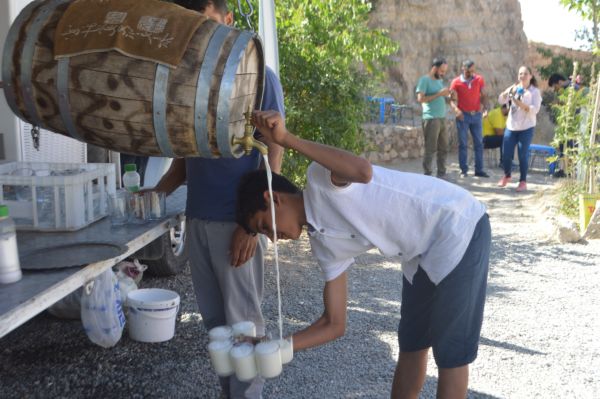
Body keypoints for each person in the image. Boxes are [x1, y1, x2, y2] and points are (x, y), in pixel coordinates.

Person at [237, 110, 491, 399]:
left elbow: (363, 171)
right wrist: (273, 346)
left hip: (457, 224)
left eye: (263, 226)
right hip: (419, 252)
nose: (272, 237)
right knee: (412, 342)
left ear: (273, 198)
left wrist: (286, 139)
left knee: (451, 353)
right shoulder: (322, 245)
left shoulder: (321, 179)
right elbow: (334, 323)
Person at [153, 1, 285, 398]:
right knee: (216, 328)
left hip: (236, 223)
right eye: (194, 27)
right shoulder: (186, 79)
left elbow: (273, 152)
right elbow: (185, 158)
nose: (201, 35)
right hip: (198, 221)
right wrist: (157, 192)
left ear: (228, 21)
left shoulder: (258, 76)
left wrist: (252, 223)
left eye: (207, 24)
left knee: (244, 327)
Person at [497, 65, 542, 192]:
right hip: (511, 126)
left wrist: (518, 103)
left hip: (526, 127)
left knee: (522, 155)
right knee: (506, 153)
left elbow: (535, 109)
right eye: (520, 74)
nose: (522, 76)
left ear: (530, 76)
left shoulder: (534, 92)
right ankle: (507, 175)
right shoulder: (514, 88)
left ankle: (523, 181)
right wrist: (507, 92)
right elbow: (501, 100)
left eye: (525, 73)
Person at [450, 60, 490, 178]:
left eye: (473, 70)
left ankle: (479, 170)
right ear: (463, 68)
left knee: (479, 143)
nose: (471, 73)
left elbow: (483, 95)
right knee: (463, 144)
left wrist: (485, 108)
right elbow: (451, 100)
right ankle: (464, 170)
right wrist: (456, 110)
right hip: (463, 116)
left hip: (476, 115)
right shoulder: (456, 82)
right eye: (469, 71)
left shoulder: (478, 79)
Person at [415, 58, 451, 178]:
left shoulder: (439, 81)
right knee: (430, 149)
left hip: (441, 118)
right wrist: (439, 94)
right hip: (431, 118)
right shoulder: (424, 80)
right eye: (441, 71)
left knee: (444, 148)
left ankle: (441, 174)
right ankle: (427, 175)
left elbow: (440, 98)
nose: (443, 73)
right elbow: (420, 99)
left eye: (444, 71)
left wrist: (449, 96)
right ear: (434, 68)